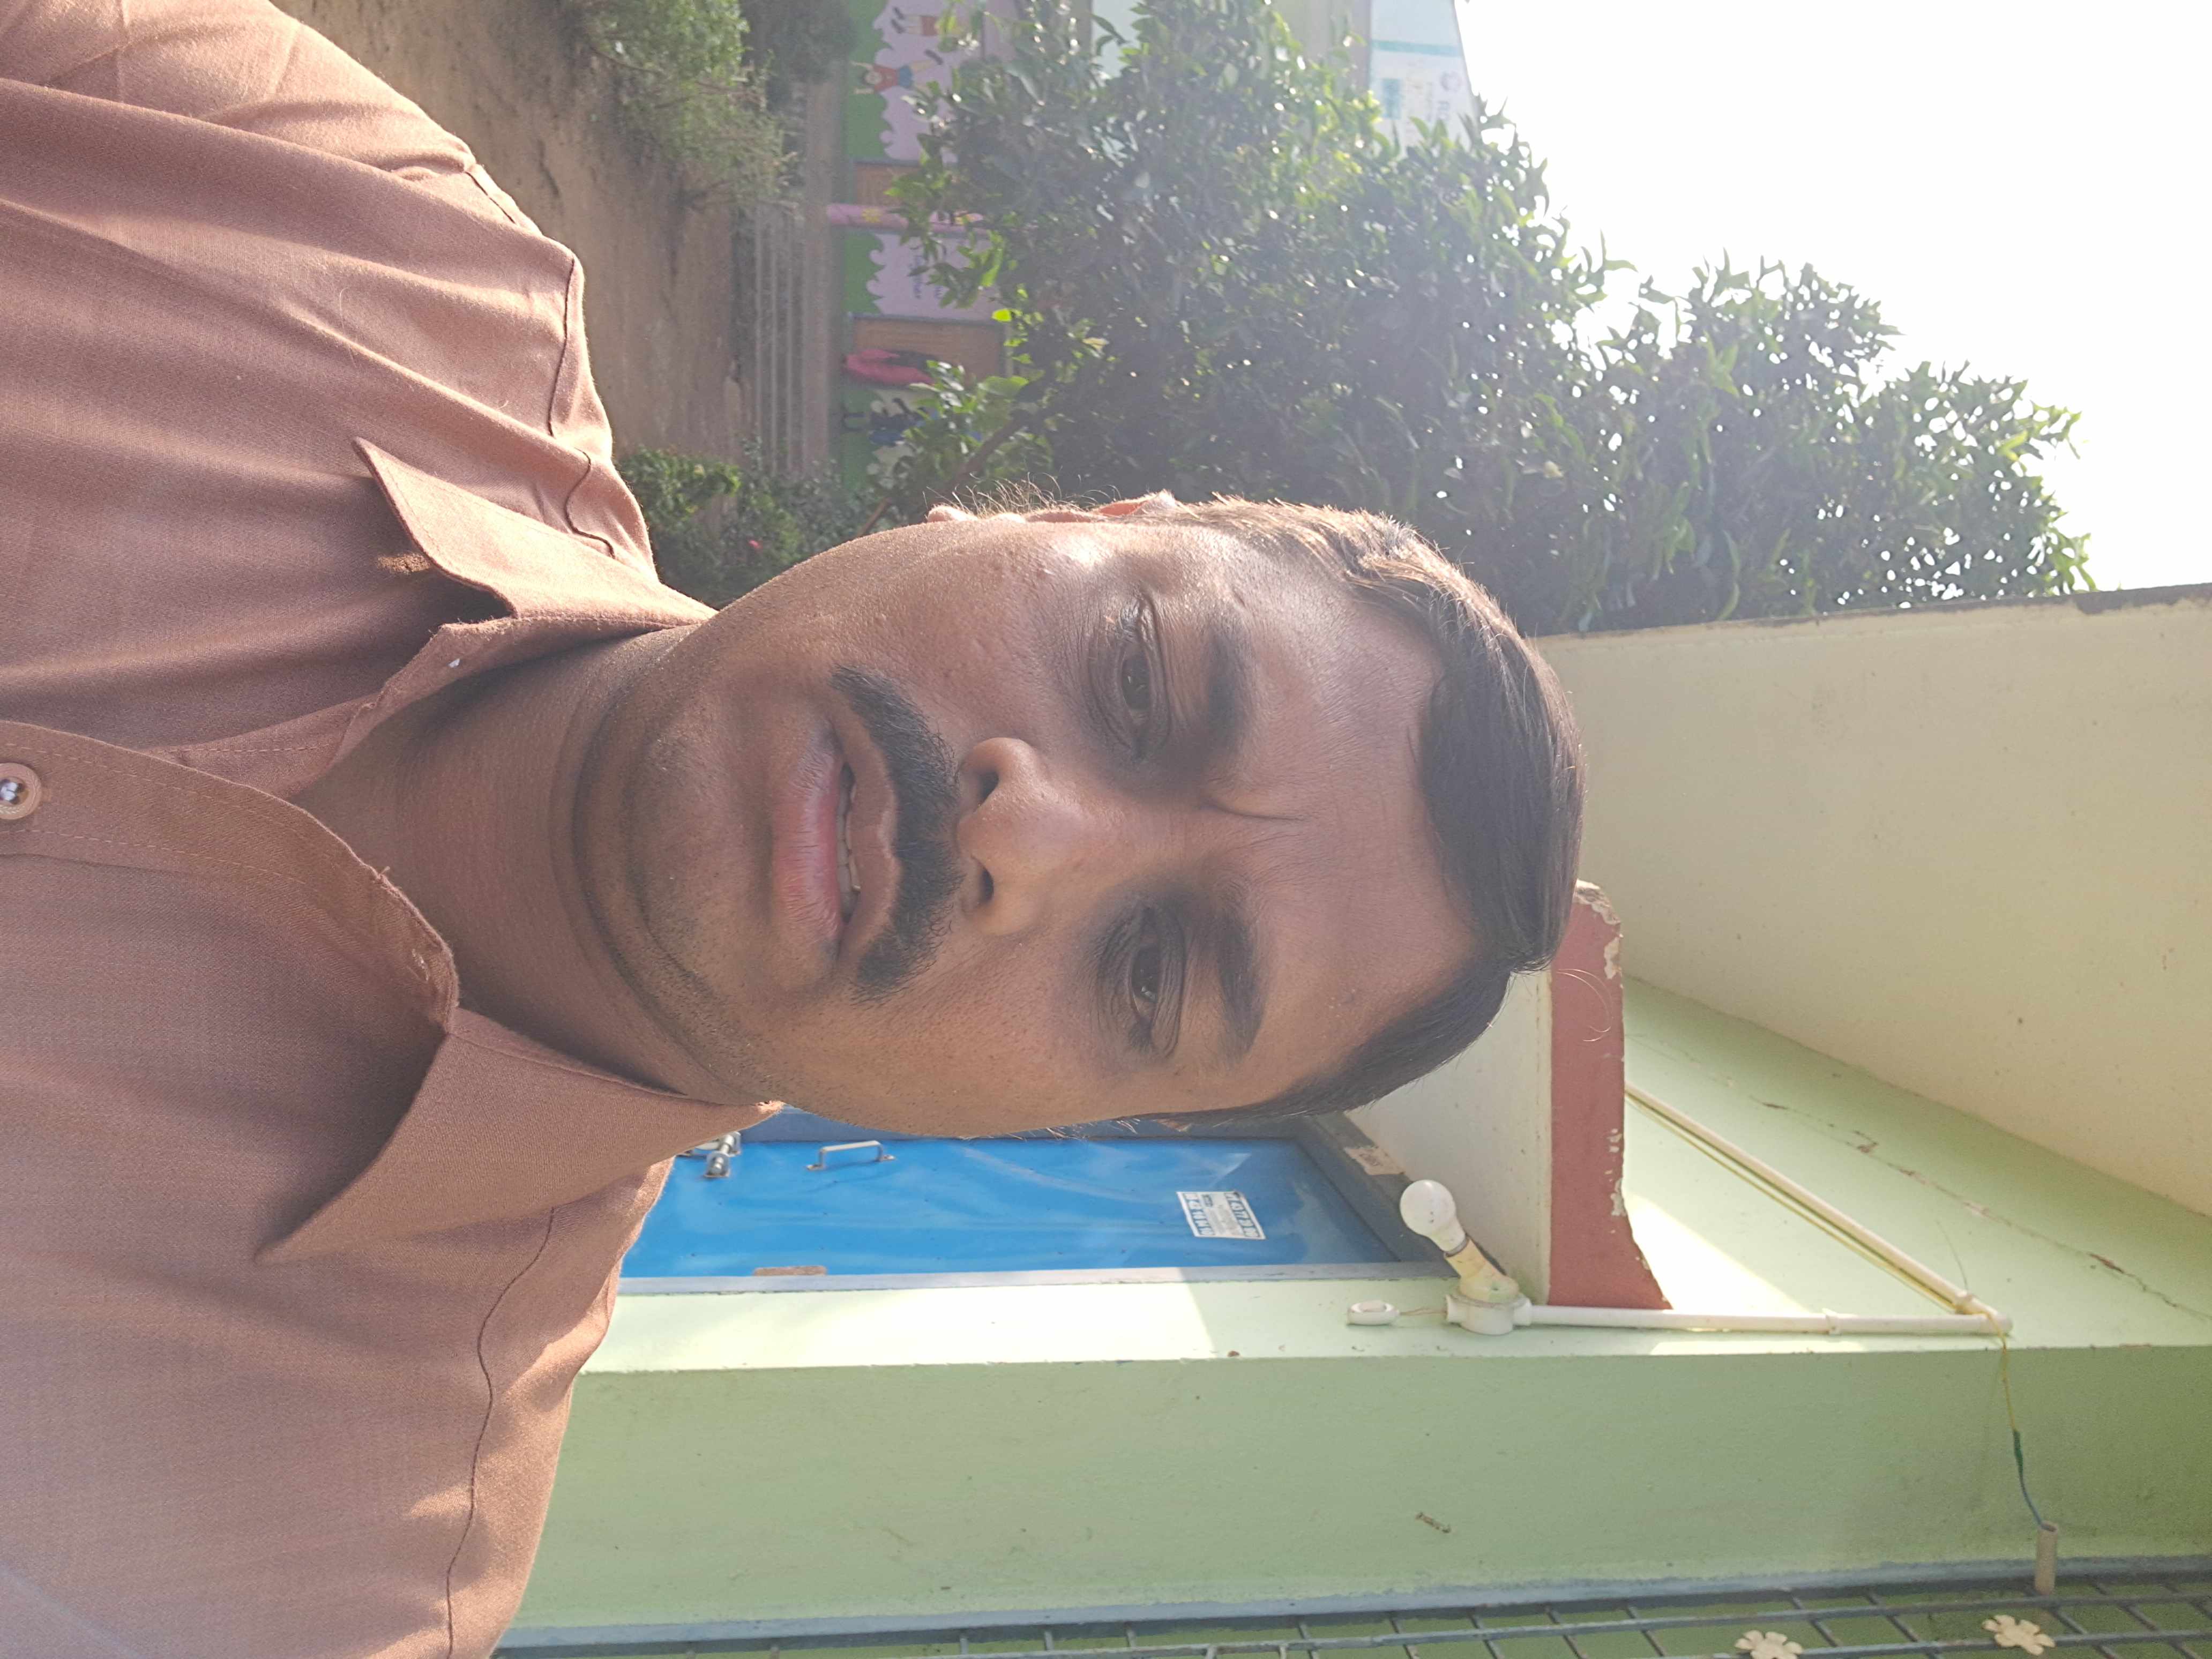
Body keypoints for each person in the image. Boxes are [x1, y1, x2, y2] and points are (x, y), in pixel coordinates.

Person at [0, 1, 1582, 1654]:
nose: (1030, 841)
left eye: (1147, 973)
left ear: (1074, 1124)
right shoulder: (351, 224)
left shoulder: (297, 1574)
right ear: (1063, 516)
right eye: (1135, 676)